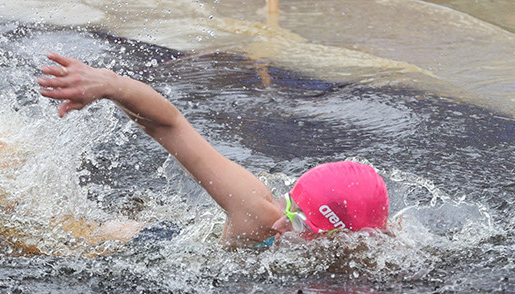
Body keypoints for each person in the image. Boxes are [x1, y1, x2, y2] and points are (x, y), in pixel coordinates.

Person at [37, 53, 389, 249]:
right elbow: (171, 125)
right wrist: (110, 84)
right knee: (42, 236)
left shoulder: (370, 252)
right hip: (155, 246)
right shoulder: (259, 217)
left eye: (298, 220)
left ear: (343, 239)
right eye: (289, 204)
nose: (282, 221)